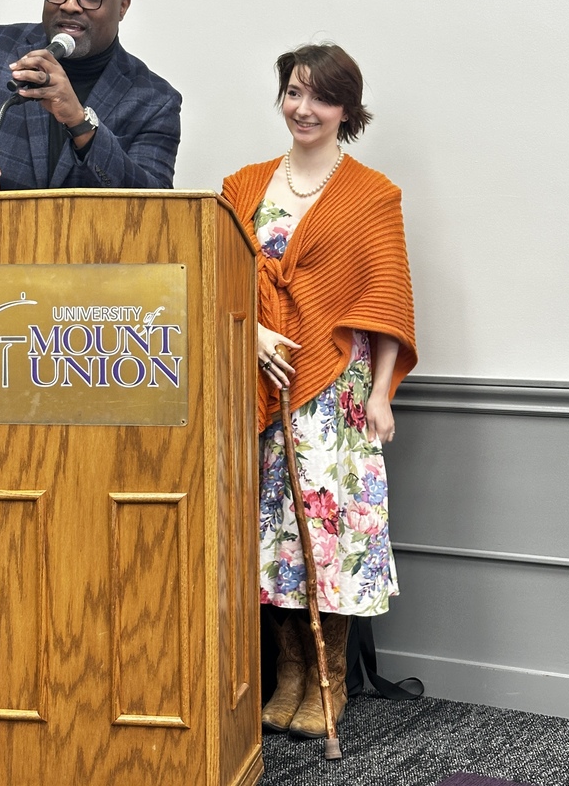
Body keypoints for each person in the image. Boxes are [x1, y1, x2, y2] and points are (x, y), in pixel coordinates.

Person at [0, 0, 182, 763]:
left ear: (122, 7)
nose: (70, 4)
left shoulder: (152, 98)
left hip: (87, 346)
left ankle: (67, 686)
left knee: (70, 520)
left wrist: (78, 119)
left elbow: (150, 206)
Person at [221, 42, 417, 739]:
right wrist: (251, 333)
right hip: (257, 384)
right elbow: (218, 277)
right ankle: (290, 674)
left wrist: (382, 393)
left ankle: (328, 679)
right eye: (294, 92)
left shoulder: (372, 193)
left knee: (329, 536)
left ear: (346, 109)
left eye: (322, 97)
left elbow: (387, 299)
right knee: (270, 536)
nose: (304, 109)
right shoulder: (241, 186)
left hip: (336, 392)